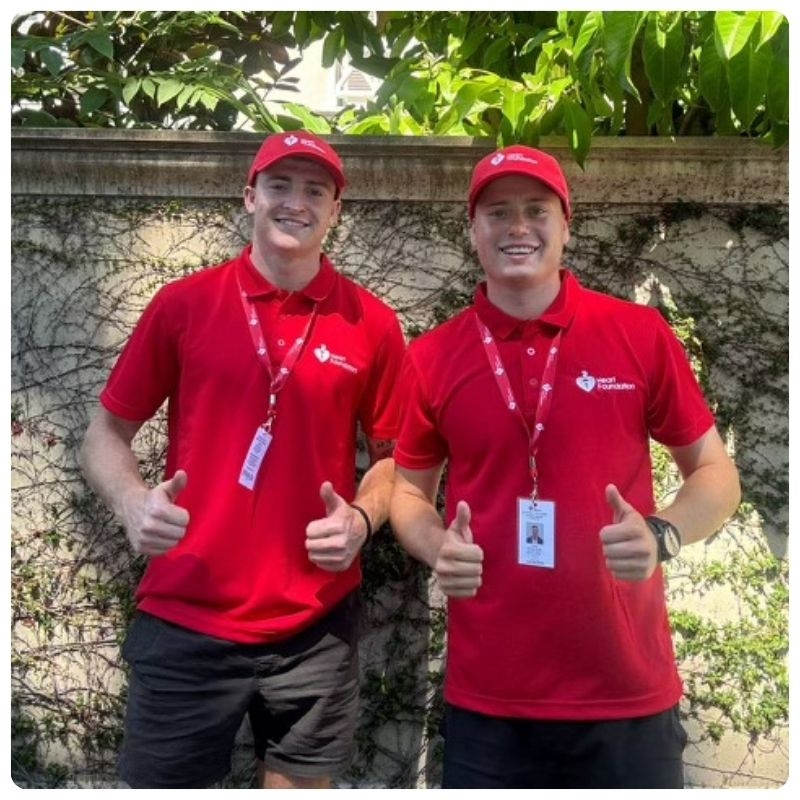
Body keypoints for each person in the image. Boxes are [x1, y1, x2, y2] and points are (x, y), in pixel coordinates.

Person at [390, 145, 741, 789]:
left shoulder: (637, 334)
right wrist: (437, 543)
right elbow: (408, 491)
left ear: (565, 225)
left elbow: (717, 473)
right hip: (489, 699)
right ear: (474, 231)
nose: (517, 226)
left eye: (535, 210)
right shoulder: (433, 356)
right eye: (497, 212)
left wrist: (664, 533)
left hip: (627, 691)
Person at [79, 131, 406, 789]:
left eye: (315, 190)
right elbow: (104, 434)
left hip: (316, 626)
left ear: (336, 209)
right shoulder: (184, 305)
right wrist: (132, 502)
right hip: (185, 615)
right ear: (249, 195)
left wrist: (364, 520)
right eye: (280, 185)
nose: (296, 202)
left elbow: (399, 460)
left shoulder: (371, 323)